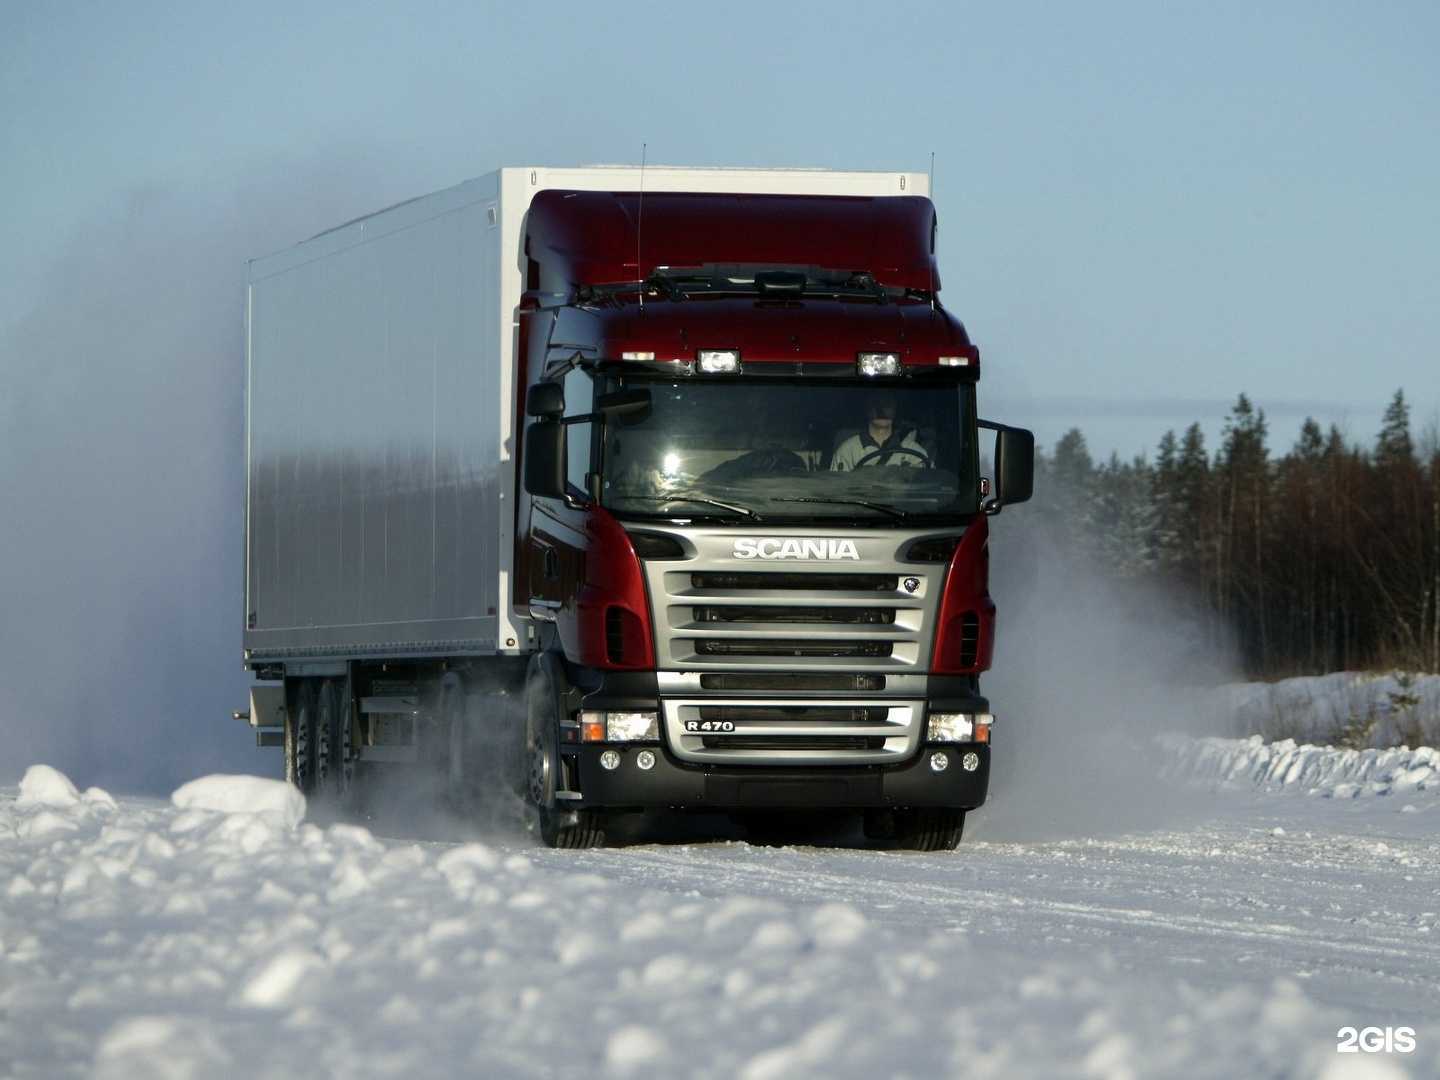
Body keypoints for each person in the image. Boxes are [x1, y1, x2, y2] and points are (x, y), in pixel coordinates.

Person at [830, 392, 929, 470]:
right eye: (876, 403)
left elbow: (929, 487)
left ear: (895, 408)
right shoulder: (848, 451)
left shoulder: (914, 452)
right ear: (867, 408)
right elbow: (836, 490)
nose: (882, 410)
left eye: (887, 404)